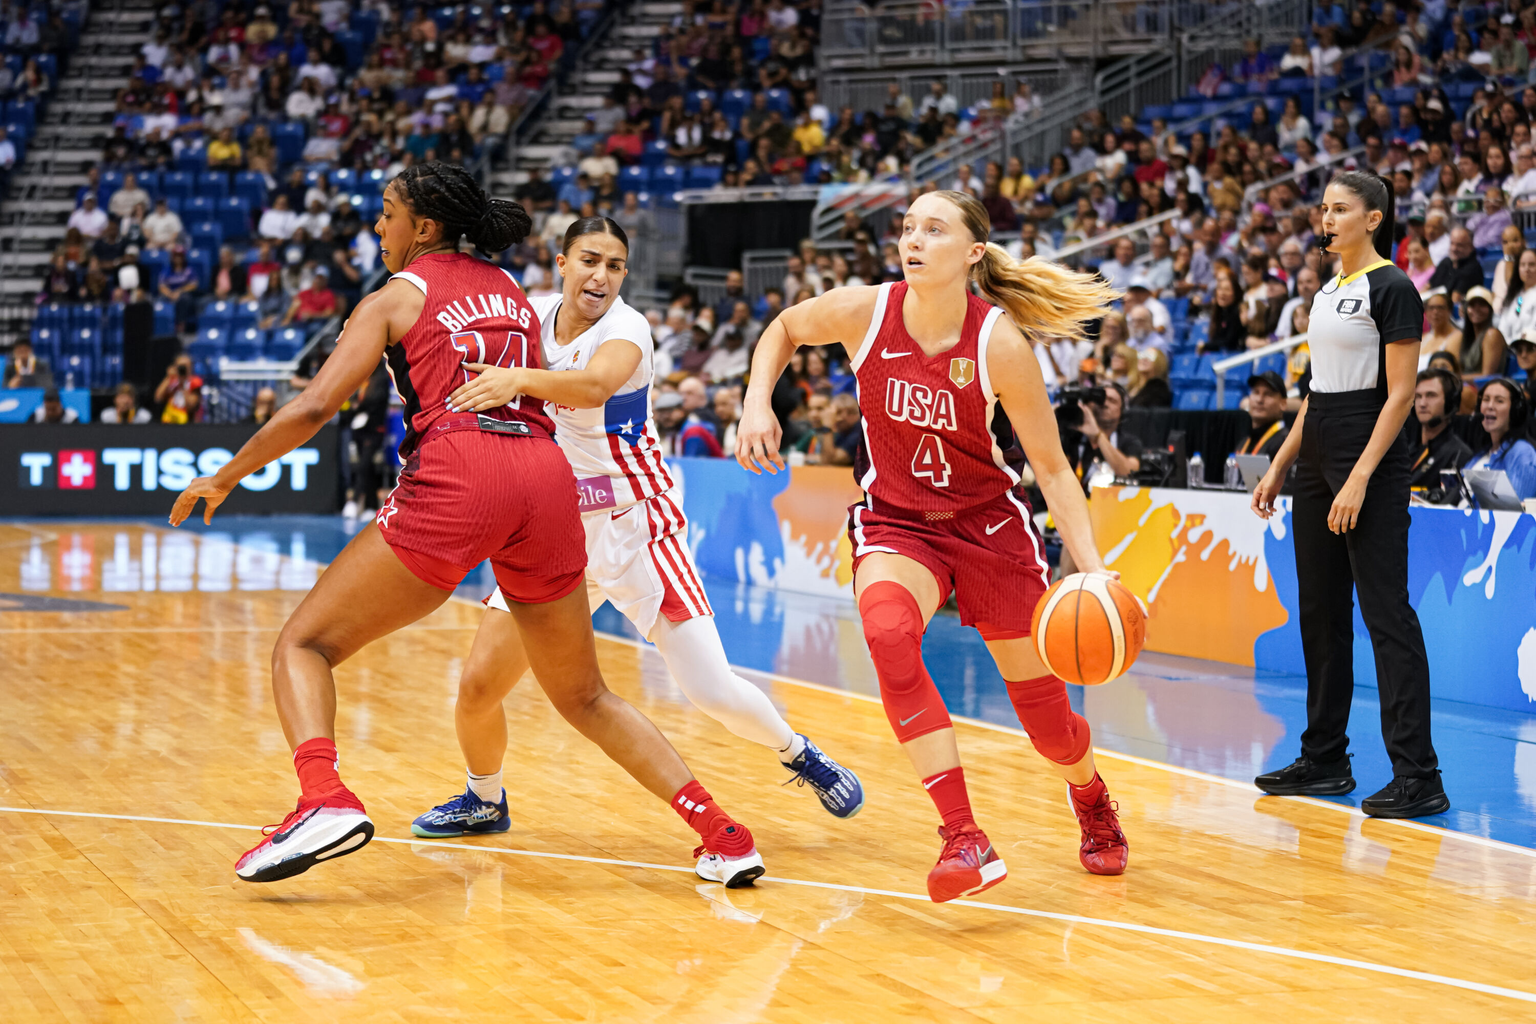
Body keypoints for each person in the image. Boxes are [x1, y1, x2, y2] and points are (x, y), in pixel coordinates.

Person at [169, 161, 766, 886]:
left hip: (461, 475)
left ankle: (323, 798)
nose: (378, 225)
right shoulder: (514, 294)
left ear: (424, 225)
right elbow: (550, 391)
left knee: (304, 645)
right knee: (584, 693)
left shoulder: (394, 298)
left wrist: (227, 473)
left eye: (387, 212)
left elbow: (313, 407)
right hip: (547, 481)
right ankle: (724, 832)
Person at [736, 189, 1130, 903]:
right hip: (897, 522)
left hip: (987, 527)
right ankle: (963, 836)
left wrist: (1096, 572)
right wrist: (756, 399)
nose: (913, 241)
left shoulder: (999, 343)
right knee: (888, 633)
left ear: (973, 252)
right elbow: (784, 329)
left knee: (1047, 727)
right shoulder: (867, 311)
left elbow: (1051, 468)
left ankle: (1090, 795)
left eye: (934, 230)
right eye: (908, 228)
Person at [414, 214, 862, 839]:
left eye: (615, 265)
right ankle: (483, 799)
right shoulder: (528, 313)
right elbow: (458, 340)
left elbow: (594, 384)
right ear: (561, 261)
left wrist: (516, 378)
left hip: (634, 523)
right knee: (478, 686)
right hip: (553, 529)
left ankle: (797, 753)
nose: (601, 276)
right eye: (590, 260)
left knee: (712, 690)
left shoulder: (630, 327)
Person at [1251, 172, 1447, 819]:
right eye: (1324, 208)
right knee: (1322, 613)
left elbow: (1399, 395)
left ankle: (1419, 775)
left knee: (1386, 615)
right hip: (1319, 451)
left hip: (1373, 456)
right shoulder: (1329, 292)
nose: (1326, 218)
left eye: (1340, 209)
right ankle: (1325, 758)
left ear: (1373, 217)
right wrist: (1280, 462)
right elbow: (1317, 392)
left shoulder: (1392, 288)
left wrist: (1360, 475)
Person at [1406, 368, 1472, 501]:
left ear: (1449, 402)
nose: (1422, 403)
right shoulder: (1407, 450)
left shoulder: (1459, 454)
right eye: (1418, 396)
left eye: (1431, 395)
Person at [1465, 378, 1536, 499]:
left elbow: (1515, 513)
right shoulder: (1482, 452)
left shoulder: (1522, 452)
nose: (1490, 406)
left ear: (1515, 410)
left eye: (1499, 401)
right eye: (1486, 400)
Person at [1237, 371, 1290, 458]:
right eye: (1256, 392)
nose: (1259, 400)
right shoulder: (1244, 442)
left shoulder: (1285, 443)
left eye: (1268, 394)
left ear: (1283, 403)